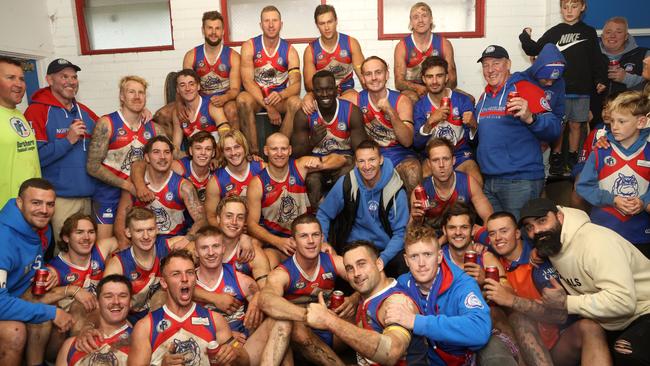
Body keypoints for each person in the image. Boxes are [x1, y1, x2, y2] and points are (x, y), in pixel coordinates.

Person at [520, 197, 650, 366]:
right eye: (529, 227)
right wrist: (538, 251)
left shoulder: (596, 242)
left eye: (542, 221)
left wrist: (566, 302)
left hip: (644, 311)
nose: (536, 231)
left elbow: (623, 301)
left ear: (560, 216)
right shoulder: (553, 241)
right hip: (610, 322)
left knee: (626, 350)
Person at [484, 211, 612, 366]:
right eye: (492, 233)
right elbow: (465, 232)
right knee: (512, 318)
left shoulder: (540, 259)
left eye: (504, 231)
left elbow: (559, 315)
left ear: (518, 233)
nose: (498, 238)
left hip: (558, 341)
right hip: (521, 347)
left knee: (590, 327)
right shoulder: (490, 261)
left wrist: (512, 301)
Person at [382, 225, 491, 365]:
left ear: (439, 256)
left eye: (427, 254)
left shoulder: (462, 284)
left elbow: (480, 330)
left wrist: (416, 321)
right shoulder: (403, 283)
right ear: (406, 260)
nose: (421, 264)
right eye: (414, 256)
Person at [475, 45, 561, 219]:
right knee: (500, 240)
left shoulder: (525, 88)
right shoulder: (484, 98)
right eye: (485, 65)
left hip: (520, 181)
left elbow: (554, 128)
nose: (490, 70)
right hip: (490, 181)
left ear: (508, 64)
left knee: (521, 238)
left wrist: (531, 117)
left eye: (496, 63)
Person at [519, 0, 607, 171]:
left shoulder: (588, 32)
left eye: (574, 7)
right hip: (559, 88)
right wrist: (524, 35)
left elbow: (597, 59)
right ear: (560, 9)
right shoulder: (555, 32)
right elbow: (533, 49)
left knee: (576, 124)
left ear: (582, 8)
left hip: (582, 89)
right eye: (565, 7)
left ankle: (573, 155)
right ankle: (556, 155)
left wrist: (600, 79)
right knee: (559, 123)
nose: (569, 11)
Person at [258, 214, 354, 366]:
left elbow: (368, 277)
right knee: (290, 324)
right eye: (304, 236)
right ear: (293, 241)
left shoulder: (333, 261)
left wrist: (354, 300)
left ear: (322, 237)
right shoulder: (283, 272)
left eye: (315, 235)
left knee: (364, 306)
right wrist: (308, 316)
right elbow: (265, 300)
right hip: (302, 339)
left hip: (333, 332)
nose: (311, 241)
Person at [304, 240, 420, 365]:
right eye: (349, 268)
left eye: (362, 264)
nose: (356, 274)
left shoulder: (396, 301)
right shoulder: (368, 295)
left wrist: (329, 321)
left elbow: (392, 351)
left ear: (379, 264)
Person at [26, 213, 119, 365]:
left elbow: (128, 237)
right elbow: (31, 299)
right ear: (66, 238)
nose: (86, 237)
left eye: (91, 232)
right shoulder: (55, 269)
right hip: (65, 332)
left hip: (99, 318)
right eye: (79, 232)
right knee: (78, 305)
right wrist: (71, 290)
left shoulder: (100, 250)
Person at [128, 249, 249, 366]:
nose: (185, 279)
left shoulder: (215, 320)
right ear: (164, 283)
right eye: (176, 274)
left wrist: (235, 353)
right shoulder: (145, 327)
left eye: (190, 272)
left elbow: (245, 362)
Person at [0, 178, 73, 365]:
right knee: (15, 331)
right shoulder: (4, 239)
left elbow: (31, 262)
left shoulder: (41, 226)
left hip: (15, 294)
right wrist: (51, 313)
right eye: (36, 203)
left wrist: (47, 271)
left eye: (50, 204)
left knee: (47, 306)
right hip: (3, 302)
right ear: (19, 202)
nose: (44, 210)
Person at [26, 58, 99, 241]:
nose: (71, 81)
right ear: (50, 80)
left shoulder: (84, 111)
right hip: (60, 200)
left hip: (89, 197)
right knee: (64, 251)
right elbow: (35, 157)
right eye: (64, 76)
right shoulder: (37, 111)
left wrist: (141, 114)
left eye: (74, 77)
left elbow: (111, 131)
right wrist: (68, 140)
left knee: (88, 249)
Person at [247, 133, 345, 267]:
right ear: (266, 151)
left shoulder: (300, 166)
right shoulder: (257, 183)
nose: (279, 153)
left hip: (306, 239)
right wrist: (277, 241)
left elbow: (340, 159)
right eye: (274, 149)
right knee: (268, 263)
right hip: (277, 243)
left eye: (283, 149)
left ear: (290, 150)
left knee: (331, 256)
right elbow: (251, 225)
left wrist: (321, 165)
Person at [86, 75, 164, 240]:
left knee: (138, 242)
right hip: (109, 193)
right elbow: (93, 166)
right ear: (122, 96)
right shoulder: (107, 123)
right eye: (131, 92)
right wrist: (127, 185)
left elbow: (172, 153)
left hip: (139, 193)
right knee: (105, 245)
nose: (137, 96)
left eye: (141, 93)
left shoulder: (153, 127)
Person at [317, 139, 409, 277]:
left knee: (402, 263)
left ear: (381, 160)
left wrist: (383, 259)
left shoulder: (395, 190)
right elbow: (324, 213)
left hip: (383, 250)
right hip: (352, 247)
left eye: (372, 160)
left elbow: (400, 233)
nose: (367, 166)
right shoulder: (348, 183)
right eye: (361, 161)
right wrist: (323, 242)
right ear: (356, 163)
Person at [576, 90, 650, 255]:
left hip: (641, 233)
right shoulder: (601, 150)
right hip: (604, 230)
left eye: (622, 121)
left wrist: (643, 201)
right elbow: (583, 186)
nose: (615, 127)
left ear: (641, 122)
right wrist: (612, 199)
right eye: (612, 121)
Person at [291, 70, 367, 208]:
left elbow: (361, 150)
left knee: (346, 174)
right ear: (313, 92)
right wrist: (312, 141)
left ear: (336, 89)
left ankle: (343, 219)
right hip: (317, 164)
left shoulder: (352, 111)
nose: (325, 94)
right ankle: (320, 219)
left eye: (329, 89)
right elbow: (296, 154)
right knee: (312, 181)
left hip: (344, 161)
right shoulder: (304, 115)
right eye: (319, 91)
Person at [114, 136, 206, 246]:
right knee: (110, 246)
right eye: (156, 152)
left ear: (172, 157)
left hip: (173, 242)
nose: (162, 157)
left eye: (167, 152)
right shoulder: (134, 183)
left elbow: (202, 220)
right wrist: (124, 245)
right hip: (141, 242)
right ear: (147, 157)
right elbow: (121, 218)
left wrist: (187, 239)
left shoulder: (184, 186)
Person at [103, 207, 186, 323]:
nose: (146, 236)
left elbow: (197, 244)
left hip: (162, 316)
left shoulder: (168, 246)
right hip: (128, 319)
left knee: (162, 295)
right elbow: (106, 302)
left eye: (150, 229)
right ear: (128, 232)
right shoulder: (118, 264)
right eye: (139, 231)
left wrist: (190, 239)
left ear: (157, 229)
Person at [237, 5, 301, 152]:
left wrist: (281, 95)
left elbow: (296, 85)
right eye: (266, 21)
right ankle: (253, 153)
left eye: (274, 20)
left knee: (296, 102)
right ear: (260, 25)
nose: (271, 25)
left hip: (278, 98)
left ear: (281, 24)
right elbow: (247, 81)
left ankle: (278, 151)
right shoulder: (250, 46)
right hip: (257, 97)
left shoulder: (290, 51)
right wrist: (268, 106)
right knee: (242, 100)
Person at [413, 56, 481, 186]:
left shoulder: (462, 101)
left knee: (475, 179)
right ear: (423, 79)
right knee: (420, 184)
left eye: (439, 76)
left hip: (460, 154)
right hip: (433, 156)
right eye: (429, 76)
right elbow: (417, 144)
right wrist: (430, 122)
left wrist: (473, 126)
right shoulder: (420, 106)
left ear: (446, 77)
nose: (434, 81)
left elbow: (474, 141)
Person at [358, 56, 421, 192]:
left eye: (378, 72)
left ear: (387, 75)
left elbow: (407, 141)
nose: (374, 78)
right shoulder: (356, 99)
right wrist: (310, 97)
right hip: (371, 155)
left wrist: (391, 112)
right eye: (368, 74)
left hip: (399, 155)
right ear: (362, 78)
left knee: (412, 170)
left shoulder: (401, 100)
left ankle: (415, 213)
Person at [193, 225, 262, 344]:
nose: (211, 253)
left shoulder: (241, 280)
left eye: (216, 246)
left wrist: (258, 297)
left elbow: (258, 320)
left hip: (241, 346)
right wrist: (224, 336)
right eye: (204, 248)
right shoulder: (187, 281)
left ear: (223, 248)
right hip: (203, 345)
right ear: (196, 252)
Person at [510, 44, 567, 177]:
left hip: (545, 140)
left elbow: (559, 115)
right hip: (522, 142)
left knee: (542, 178)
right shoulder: (520, 79)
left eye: (554, 79)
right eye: (546, 79)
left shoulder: (560, 83)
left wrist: (548, 141)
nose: (549, 83)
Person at [410, 138, 492, 228]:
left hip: (462, 236)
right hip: (432, 238)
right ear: (429, 164)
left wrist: (481, 235)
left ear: (453, 160)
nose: (441, 165)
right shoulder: (420, 191)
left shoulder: (469, 183)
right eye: (435, 160)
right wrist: (416, 220)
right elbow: (411, 233)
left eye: (446, 159)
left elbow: (489, 218)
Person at [55, 275, 133, 366]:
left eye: (122, 296)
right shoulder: (71, 345)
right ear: (98, 303)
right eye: (108, 296)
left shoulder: (142, 340)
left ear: (130, 302)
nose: (116, 301)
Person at [301, 4, 365, 113]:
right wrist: (315, 95)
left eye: (330, 22)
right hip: (323, 93)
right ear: (317, 25)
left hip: (346, 91)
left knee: (355, 98)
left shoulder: (350, 43)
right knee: (307, 101)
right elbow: (309, 84)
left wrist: (369, 97)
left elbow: (363, 76)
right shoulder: (310, 50)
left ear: (336, 21)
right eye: (322, 23)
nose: (326, 27)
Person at [183, 10, 241, 127]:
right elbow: (184, 85)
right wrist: (180, 104)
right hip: (199, 99)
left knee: (232, 110)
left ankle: (233, 144)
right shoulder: (191, 55)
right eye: (209, 28)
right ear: (203, 30)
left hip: (225, 99)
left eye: (217, 28)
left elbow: (235, 89)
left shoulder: (233, 56)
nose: (213, 32)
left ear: (223, 31)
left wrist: (224, 98)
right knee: (163, 115)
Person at [394, 2, 457, 103]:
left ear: (431, 19)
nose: (420, 21)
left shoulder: (444, 44)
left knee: (469, 99)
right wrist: (417, 88)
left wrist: (437, 92)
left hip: (439, 88)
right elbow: (399, 83)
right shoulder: (402, 46)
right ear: (411, 22)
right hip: (414, 91)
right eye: (416, 17)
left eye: (424, 16)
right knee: (411, 98)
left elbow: (452, 80)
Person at [133, 130, 216, 206]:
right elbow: (138, 164)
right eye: (198, 148)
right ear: (190, 151)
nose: (203, 153)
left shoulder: (217, 170)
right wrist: (140, 186)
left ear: (213, 153)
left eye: (208, 149)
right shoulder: (178, 167)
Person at [0, 56, 40, 206]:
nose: (19, 84)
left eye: (21, 79)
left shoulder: (18, 115)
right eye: (10, 78)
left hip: (29, 208)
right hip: (5, 210)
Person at [205, 129, 264, 224]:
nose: (233, 153)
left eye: (237, 147)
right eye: (228, 149)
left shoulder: (262, 168)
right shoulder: (215, 181)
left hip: (263, 227)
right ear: (222, 153)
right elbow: (211, 216)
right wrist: (228, 231)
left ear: (245, 148)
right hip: (232, 230)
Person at [171, 69, 229, 152]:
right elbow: (175, 146)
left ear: (198, 86)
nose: (187, 88)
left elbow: (225, 135)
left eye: (191, 84)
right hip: (196, 158)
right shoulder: (178, 114)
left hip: (217, 154)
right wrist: (181, 156)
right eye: (182, 85)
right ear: (177, 90)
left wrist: (218, 156)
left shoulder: (212, 105)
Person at [600, 17, 650, 95]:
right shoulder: (590, 56)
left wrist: (626, 78)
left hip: (632, 106)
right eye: (608, 32)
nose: (612, 35)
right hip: (594, 107)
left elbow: (648, 86)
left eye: (618, 32)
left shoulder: (645, 55)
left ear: (626, 36)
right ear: (602, 36)